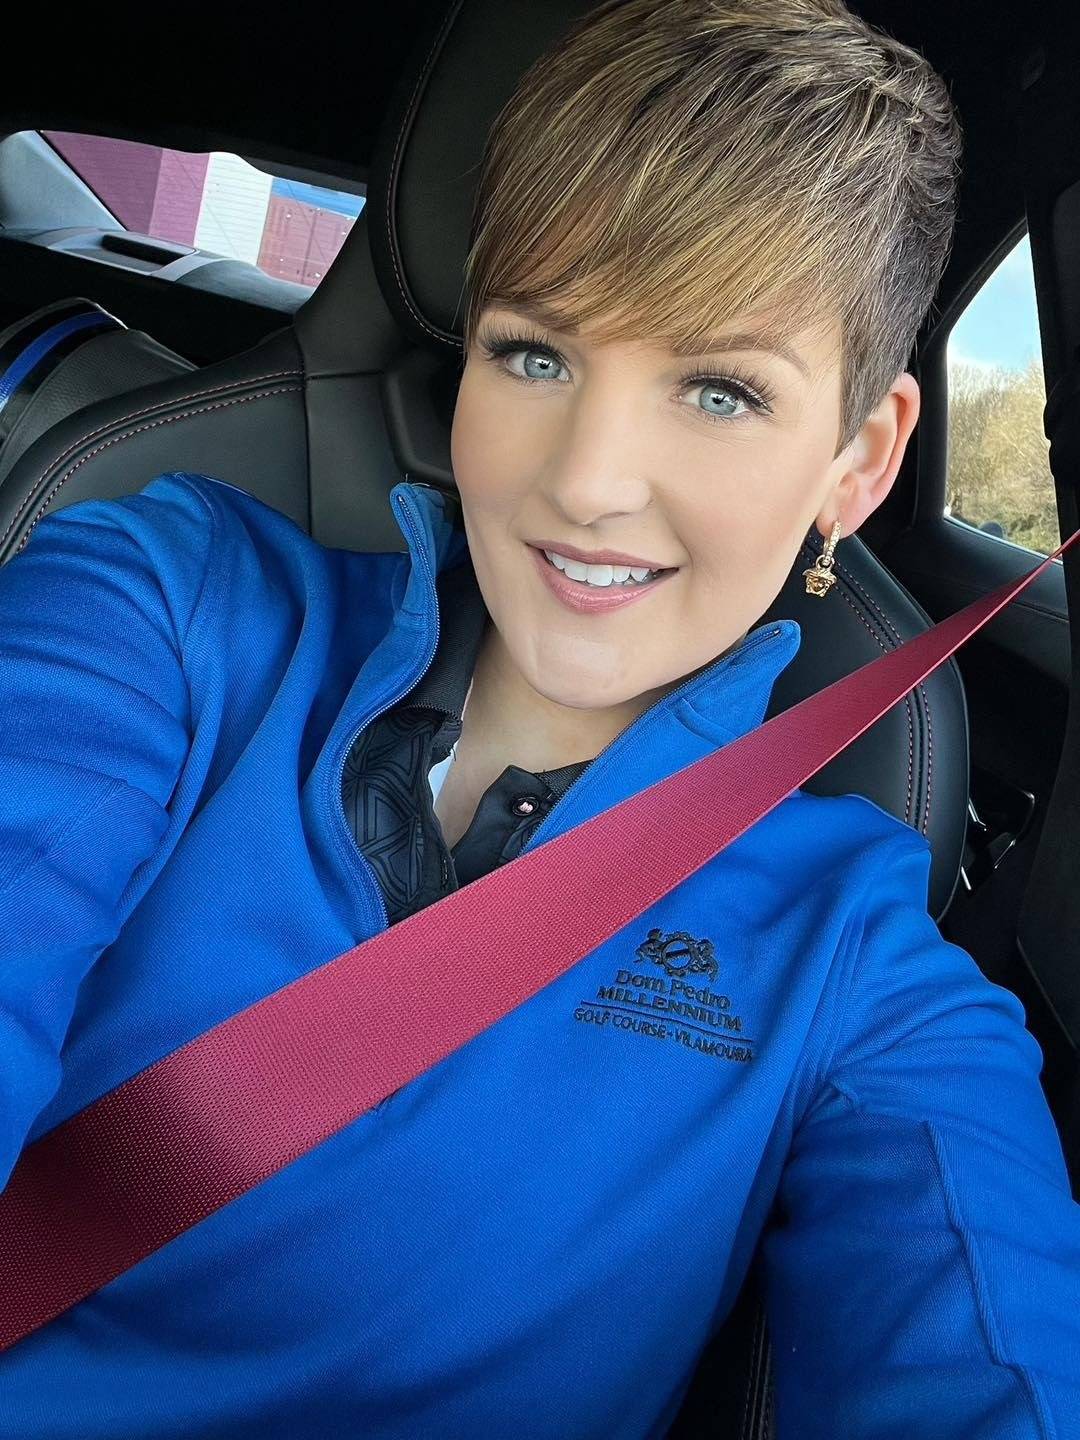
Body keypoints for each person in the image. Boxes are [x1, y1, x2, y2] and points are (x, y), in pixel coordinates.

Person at [1, 0, 1077, 1435]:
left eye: (719, 390)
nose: (586, 482)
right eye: (536, 353)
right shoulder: (168, 602)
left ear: (858, 462)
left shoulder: (851, 955)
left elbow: (981, 1351)